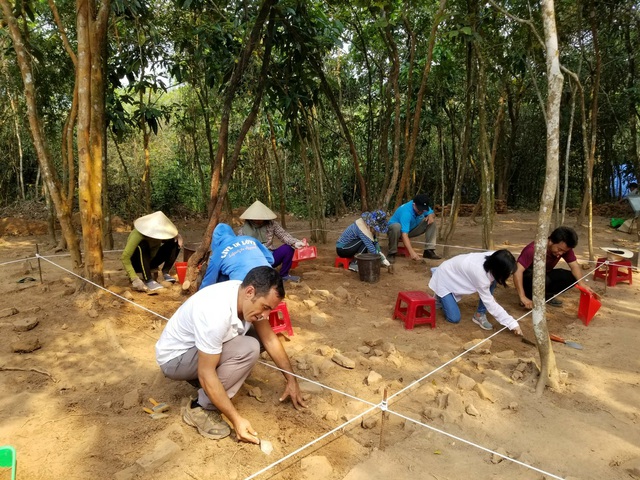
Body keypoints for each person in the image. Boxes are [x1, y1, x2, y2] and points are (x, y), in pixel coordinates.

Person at [155, 266, 307, 442]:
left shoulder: (243, 293)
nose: (265, 315)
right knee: (249, 347)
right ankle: (200, 408)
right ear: (250, 292)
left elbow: (270, 340)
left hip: (197, 350)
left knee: (259, 338)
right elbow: (206, 372)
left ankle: (213, 384)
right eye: (264, 307)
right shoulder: (215, 313)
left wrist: (291, 380)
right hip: (176, 360)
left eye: (269, 310)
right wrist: (236, 419)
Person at [428, 249, 522, 335]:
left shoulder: (496, 257)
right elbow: (490, 303)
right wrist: (512, 323)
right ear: (498, 269)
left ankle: (479, 314)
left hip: (457, 272)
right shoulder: (481, 276)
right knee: (454, 318)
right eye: (507, 273)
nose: (509, 275)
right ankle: (440, 296)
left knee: (492, 282)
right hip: (445, 277)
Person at [513, 226, 595, 309]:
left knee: (573, 277)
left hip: (544, 274)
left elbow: (574, 266)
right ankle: (528, 296)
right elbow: (517, 271)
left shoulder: (564, 248)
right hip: (528, 278)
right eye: (559, 249)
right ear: (551, 241)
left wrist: (582, 284)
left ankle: (546, 295)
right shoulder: (533, 249)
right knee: (544, 280)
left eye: (564, 251)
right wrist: (522, 296)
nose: (561, 253)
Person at [239, 200, 306, 283]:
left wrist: (295, 242)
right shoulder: (243, 231)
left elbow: (283, 235)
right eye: (256, 218)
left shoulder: (272, 224)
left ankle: (284, 275)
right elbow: (240, 250)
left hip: (270, 257)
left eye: (261, 218)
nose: (258, 220)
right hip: (253, 261)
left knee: (288, 248)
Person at [121, 211, 182, 292]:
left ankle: (165, 272)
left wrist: (178, 236)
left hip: (151, 260)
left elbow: (172, 237)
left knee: (174, 241)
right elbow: (124, 258)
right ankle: (148, 280)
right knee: (143, 245)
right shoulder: (137, 234)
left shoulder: (161, 233)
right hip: (136, 263)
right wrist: (134, 278)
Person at [199, 223, 274, 289]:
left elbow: (208, 283)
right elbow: (270, 259)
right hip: (272, 279)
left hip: (248, 288)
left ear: (215, 239)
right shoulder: (250, 239)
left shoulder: (218, 254)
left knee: (220, 275)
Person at [387, 194, 441, 263]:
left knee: (431, 222)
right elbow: (404, 235)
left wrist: (430, 215)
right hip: (396, 231)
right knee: (396, 226)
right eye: (419, 209)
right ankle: (392, 253)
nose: (421, 212)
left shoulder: (422, 205)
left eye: (423, 210)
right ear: (414, 205)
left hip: (410, 229)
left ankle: (429, 250)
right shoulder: (406, 212)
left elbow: (431, 213)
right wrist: (412, 253)